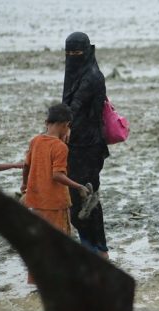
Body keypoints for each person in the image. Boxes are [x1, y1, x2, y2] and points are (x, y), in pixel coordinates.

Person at [21, 104, 90, 283]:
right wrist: (78, 186)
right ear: (66, 125)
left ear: (47, 122)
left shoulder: (35, 141)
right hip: (54, 203)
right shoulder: (60, 147)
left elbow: (26, 166)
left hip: (35, 200)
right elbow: (57, 175)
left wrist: (24, 186)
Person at [62, 32, 110, 258]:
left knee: (87, 195)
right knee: (76, 196)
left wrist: (58, 128)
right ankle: (90, 246)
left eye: (77, 53)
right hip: (74, 145)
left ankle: (99, 249)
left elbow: (76, 105)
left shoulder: (91, 76)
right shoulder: (73, 74)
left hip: (89, 146)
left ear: (87, 52)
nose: (72, 57)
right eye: (68, 53)